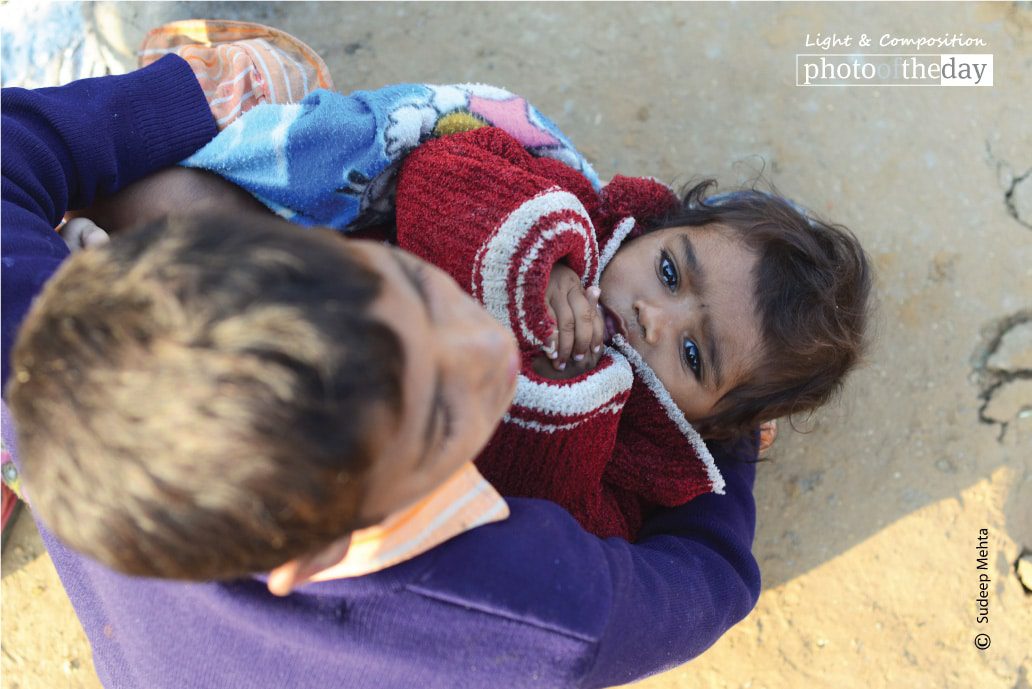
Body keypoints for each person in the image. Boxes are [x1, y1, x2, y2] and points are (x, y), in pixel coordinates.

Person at [2, 52, 761, 688]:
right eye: (442, 414)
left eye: (413, 281)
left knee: (161, 195)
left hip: (139, 654)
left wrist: (185, 102)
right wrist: (723, 432)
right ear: (326, 550)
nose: (493, 344)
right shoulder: (530, 609)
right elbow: (709, 576)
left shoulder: (42, 365)